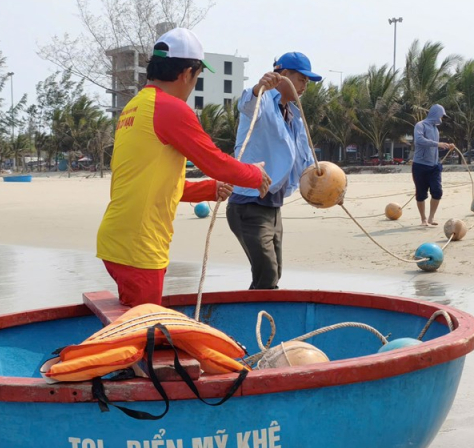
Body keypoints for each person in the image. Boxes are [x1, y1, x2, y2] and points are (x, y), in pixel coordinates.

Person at [96, 28, 271, 307]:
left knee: (136, 319)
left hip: (118, 239)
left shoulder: (134, 107)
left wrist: (210, 189)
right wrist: (255, 175)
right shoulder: (170, 109)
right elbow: (215, 162)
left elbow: (155, 184)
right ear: (187, 73)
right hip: (140, 246)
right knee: (144, 327)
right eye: (198, 76)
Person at [226, 52, 320, 290]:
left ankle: (257, 309)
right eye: (301, 79)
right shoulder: (263, 100)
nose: (304, 86)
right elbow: (246, 103)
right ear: (284, 75)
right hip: (248, 205)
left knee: (273, 272)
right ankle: (257, 311)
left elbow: (306, 160)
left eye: (307, 82)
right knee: (267, 274)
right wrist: (260, 87)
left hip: (272, 205)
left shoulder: (294, 117)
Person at [412, 104, 453, 226]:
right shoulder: (420, 125)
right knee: (421, 194)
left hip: (434, 166)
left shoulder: (436, 129)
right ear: (435, 114)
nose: (441, 119)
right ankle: (423, 219)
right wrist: (438, 144)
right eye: (441, 116)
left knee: (437, 192)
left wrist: (446, 146)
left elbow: (434, 147)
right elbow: (419, 140)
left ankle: (431, 217)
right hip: (420, 165)